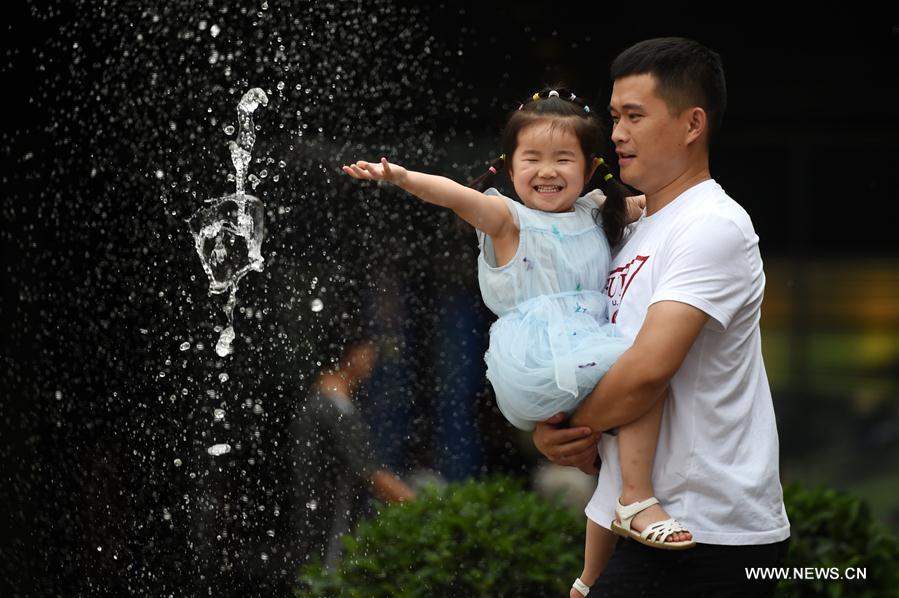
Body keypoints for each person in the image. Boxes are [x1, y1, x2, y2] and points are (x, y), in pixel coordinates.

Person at [342, 87, 692, 598]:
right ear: (509, 166)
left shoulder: (597, 209)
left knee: (617, 439)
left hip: (581, 350)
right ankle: (637, 499)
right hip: (541, 358)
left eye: (563, 159)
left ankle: (590, 577)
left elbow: (667, 201)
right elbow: (452, 193)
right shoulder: (506, 218)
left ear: (591, 168)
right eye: (532, 158)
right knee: (648, 372)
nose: (547, 171)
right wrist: (399, 177)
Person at [533, 37, 791, 596]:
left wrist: (566, 428)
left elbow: (647, 371)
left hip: (709, 532)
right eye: (614, 117)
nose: (617, 133)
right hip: (640, 522)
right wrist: (555, 429)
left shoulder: (712, 225)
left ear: (692, 123)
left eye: (634, 116)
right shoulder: (635, 224)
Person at [289, 336, 415, 570]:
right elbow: (373, 473)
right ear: (350, 353)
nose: (372, 360)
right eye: (367, 351)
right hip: (329, 523)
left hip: (315, 520)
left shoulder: (320, 399)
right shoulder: (333, 407)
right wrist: (423, 506)